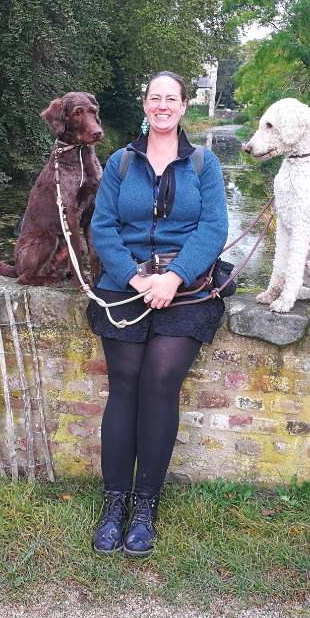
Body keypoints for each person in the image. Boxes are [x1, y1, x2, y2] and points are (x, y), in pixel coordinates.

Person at [86, 71, 229, 557]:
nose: (162, 106)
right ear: (144, 105)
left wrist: (175, 276)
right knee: (123, 383)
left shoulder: (205, 164)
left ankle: (145, 507)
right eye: (155, 98)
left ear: (184, 106)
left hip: (185, 289)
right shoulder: (120, 163)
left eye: (172, 99)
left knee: (160, 380)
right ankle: (114, 505)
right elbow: (102, 227)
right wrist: (134, 276)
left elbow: (213, 227)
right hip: (125, 286)